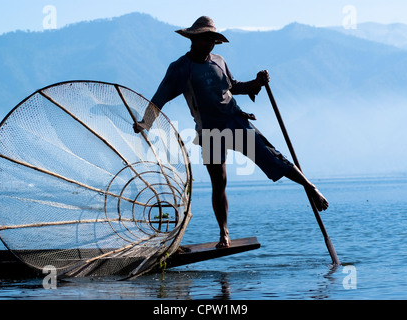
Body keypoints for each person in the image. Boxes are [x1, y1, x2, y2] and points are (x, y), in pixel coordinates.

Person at [134, 16, 328, 248]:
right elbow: (160, 97)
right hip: (209, 131)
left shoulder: (219, 61)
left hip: (236, 121)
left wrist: (256, 83)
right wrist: (145, 122)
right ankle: (224, 233)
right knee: (220, 181)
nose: (211, 44)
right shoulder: (180, 69)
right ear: (194, 39)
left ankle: (311, 187)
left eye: (213, 39)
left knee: (272, 156)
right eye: (206, 39)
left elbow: (234, 87)